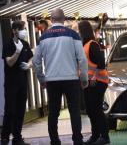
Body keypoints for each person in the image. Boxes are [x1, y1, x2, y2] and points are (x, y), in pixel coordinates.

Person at [32, 8, 88, 145]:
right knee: (74, 111)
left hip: (52, 80)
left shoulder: (43, 37)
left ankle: (55, 141)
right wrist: (84, 77)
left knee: (53, 112)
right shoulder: (73, 35)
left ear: (51, 20)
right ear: (64, 19)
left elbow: (36, 61)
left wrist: (41, 78)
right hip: (71, 79)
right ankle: (78, 140)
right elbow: (81, 58)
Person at [78, 21, 110, 145]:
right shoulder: (84, 45)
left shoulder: (92, 44)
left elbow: (101, 63)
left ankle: (104, 136)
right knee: (91, 110)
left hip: (98, 82)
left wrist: (94, 77)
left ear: (83, 31)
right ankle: (95, 135)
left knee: (96, 110)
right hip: (88, 83)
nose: (78, 33)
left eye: (78, 30)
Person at [1, 21, 33, 145]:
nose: (24, 31)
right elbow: (9, 62)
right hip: (11, 84)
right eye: (23, 29)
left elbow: (30, 57)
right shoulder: (8, 45)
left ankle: (17, 137)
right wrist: (17, 52)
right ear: (15, 30)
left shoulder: (25, 44)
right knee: (10, 110)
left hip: (23, 82)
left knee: (20, 110)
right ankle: (4, 137)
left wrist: (29, 64)